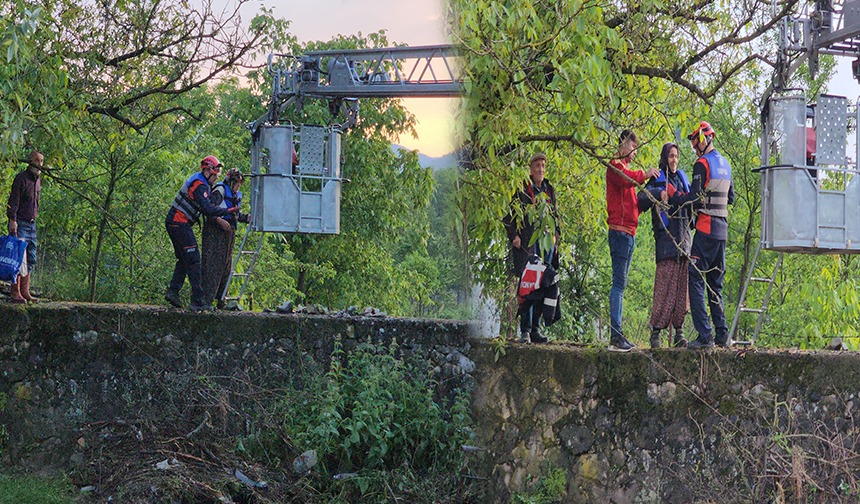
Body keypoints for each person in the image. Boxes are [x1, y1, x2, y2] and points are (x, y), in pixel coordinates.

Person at [667, 121, 734, 349]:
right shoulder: (726, 164)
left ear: (702, 140)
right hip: (722, 233)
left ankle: (705, 336)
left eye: (695, 144)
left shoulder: (702, 164)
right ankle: (722, 335)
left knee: (695, 279)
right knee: (715, 285)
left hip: (705, 230)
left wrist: (675, 197)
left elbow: (694, 198)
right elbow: (730, 198)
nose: (695, 149)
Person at [606, 130, 660, 351]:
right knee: (619, 284)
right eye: (631, 146)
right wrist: (645, 174)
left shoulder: (625, 169)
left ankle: (617, 333)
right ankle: (616, 334)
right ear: (622, 144)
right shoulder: (615, 166)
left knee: (622, 283)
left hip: (628, 231)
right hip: (619, 231)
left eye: (635, 148)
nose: (634, 151)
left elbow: (632, 202)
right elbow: (627, 180)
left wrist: (651, 196)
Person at [638, 142, 692, 349]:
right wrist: (657, 195)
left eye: (676, 156)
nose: (674, 160)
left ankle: (679, 332)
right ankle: (656, 334)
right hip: (665, 242)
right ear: (664, 157)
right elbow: (641, 199)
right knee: (663, 290)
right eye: (670, 156)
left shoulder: (683, 179)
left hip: (684, 243)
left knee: (681, 292)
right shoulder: (657, 179)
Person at [164, 156, 235, 311]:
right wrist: (227, 211)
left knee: (184, 259)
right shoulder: (200, 185)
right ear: (207, 171)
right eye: (215, 174)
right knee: (194, 260)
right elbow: (207, 209)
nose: (216, 178)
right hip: (179, 222)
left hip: (175, 223)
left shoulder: (202, 184)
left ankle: (173, 292)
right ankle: (198, 302)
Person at [503, 152, 560, 344]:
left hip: (546, 243)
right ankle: (525, 330)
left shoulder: (548, 189)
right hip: (528, 243)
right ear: (531, 169)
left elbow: (555, 217)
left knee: (542, 284)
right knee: (528, 285)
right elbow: (509, 216)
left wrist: (556, 237)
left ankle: (536, 328)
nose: (541, 170)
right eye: (537, 166)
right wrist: (514, 236)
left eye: (543, 166)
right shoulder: (522, 190)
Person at [201, 168, 250, 309]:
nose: (238, 186)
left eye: (240, 184)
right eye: (236, 183)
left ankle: (221, 300)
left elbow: (235, 214)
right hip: (215, 233)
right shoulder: (220, 191)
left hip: (228, 235)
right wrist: (218, 220)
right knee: (212, 266)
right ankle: (206, 301)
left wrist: (246, 218)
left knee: (226, 267)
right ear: (231, 181)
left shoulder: (236, 196)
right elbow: (208, 210)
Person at [6, 151, 43, 303]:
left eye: (41, 161)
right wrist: (12, 219)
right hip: (20, 222)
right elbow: (13, 200)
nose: (39, 164)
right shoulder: (21, 178)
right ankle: (15, 292)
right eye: (36, 160)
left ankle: (25, 291)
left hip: (31, 224)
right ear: (30, 161)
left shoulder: (38, 180)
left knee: (31, 258)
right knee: (19, 258)